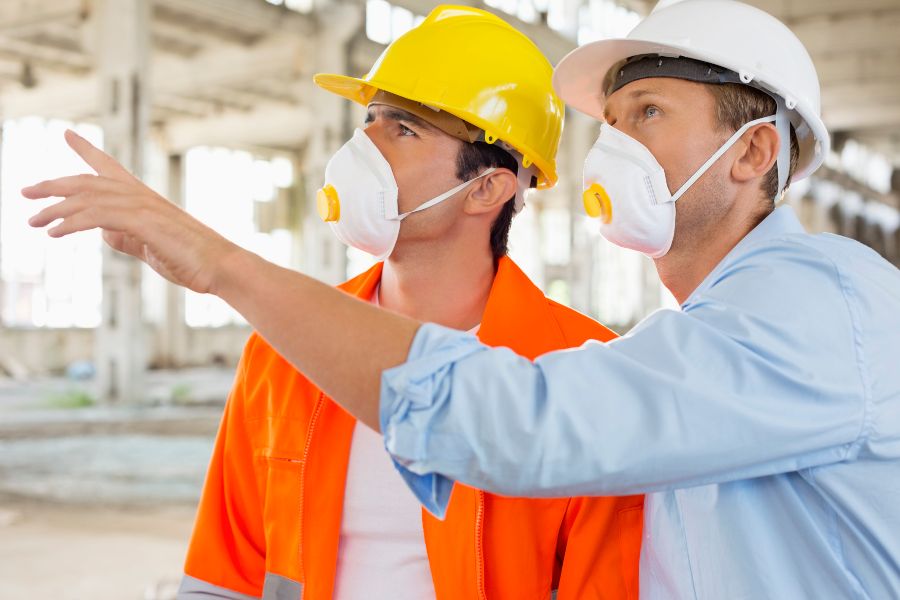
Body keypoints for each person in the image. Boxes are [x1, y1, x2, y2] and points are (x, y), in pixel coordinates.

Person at [24, 1, 900, 598]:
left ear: (751, 154)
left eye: (647, 114)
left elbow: (515, 422)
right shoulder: (677, 347)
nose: (615, 150)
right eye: (611, 123)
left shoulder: (817, 309)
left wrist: (223, 267)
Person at [168, 7, 639, 600]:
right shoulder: (282, 344)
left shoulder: (583, 370)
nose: (361, 145)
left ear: (488, 187)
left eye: (404, 128)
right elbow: (220, 578)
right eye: (370, 118)